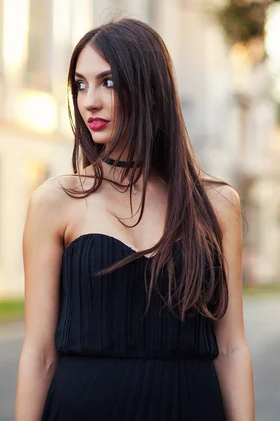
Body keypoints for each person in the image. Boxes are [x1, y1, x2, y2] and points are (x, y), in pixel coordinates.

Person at [15, 18, 255, 421]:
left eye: (108, 82)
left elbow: (231, 347)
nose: (89, 100)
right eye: (80, 84)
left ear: (150, 89)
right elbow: (38, 353)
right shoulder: (55, 202)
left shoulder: (217, 205)